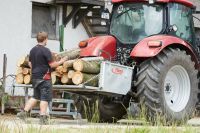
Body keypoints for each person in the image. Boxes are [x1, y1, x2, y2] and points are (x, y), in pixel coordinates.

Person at [17, 31, 68, 124]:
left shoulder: (32, 50)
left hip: (35, 77)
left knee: (35, 96)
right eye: (47, 38)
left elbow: (30, 64)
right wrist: (62, 61)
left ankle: (23, 113)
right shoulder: (46, 50)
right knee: (44, 98)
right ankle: (43, 118)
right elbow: (52, 65)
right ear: (45, 39)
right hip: (45, 78)